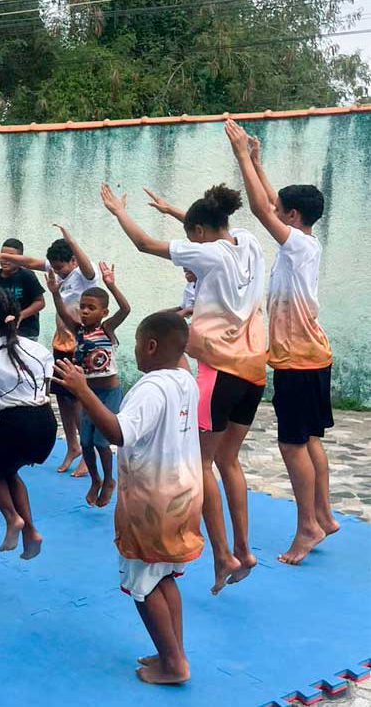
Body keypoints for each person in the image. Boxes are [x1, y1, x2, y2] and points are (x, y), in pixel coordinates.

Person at [104, 181, 266, 594]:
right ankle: (243, 549)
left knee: (204, 465)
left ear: (198, 232)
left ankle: (222, 554)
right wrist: (175, 210)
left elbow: (144, 244)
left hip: (218, 369)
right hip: (253, 371)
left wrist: (119, 211)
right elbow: (208, 227)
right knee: (229, 462)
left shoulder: (208, 253)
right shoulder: (248, 241)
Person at [53, 311, 203, 685]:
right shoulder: (186, 380)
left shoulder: (150, 389)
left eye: (136, 343)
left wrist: (83, 389)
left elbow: (118, 432)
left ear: (151, 347)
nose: (134, 350)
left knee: (143, 584)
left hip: (151, 503)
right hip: (184, 496)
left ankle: (174, 664)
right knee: (165, 575)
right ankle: (173, 652)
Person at [225, 119, 339, 563]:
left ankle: (307, 526)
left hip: (299, 362)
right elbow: (273, 202)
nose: (277, 212)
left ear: (292, 218)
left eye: (283, 212)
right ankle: (325, 515)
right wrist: (257, 160)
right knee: (311, 440)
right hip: (315, 356)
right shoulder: (306, 241)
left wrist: (239, 157)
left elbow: (259, 208)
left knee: (293, 445)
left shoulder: (294, 246)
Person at [0, 224, 98, 476]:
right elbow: (31, 261)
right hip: (61, 343)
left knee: (79, 400)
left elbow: (86, 264)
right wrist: (4, 256)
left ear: (73, 261)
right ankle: (73, 446)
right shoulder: (56, 273)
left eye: (60, 267)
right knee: (63, 400)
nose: (55, 271)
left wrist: (70, 237)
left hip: (81, 345)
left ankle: (88, 455)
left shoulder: (84, 276)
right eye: (53, 267)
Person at [0, 290, 56, 559]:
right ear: (18, 319)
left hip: (16, 423)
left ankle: (12, 518)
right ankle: (30, 532)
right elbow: (42, 390)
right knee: (9, 471)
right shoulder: (40, 350)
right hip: (46, 424)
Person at [50, 262, 130, 507]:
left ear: (103, 312)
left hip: (109, 393)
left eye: (91, 308)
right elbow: (64, 313)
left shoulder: (107, 328)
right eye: (83, 307)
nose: (84, 311)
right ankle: (95, 479)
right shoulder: (78, 330)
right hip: (88, 392)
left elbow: (126, 309)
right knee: (85, 441)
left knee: (101, 441)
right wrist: (55, 292)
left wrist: (111, 285)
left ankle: (108, 480)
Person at [0, 238, 45, 342]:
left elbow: (40, 302)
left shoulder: (27, 276)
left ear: (20, 258)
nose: (4, 260)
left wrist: (21, 315)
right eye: (2, 256)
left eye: (10, 257)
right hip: (1, 332)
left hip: (26, 333)